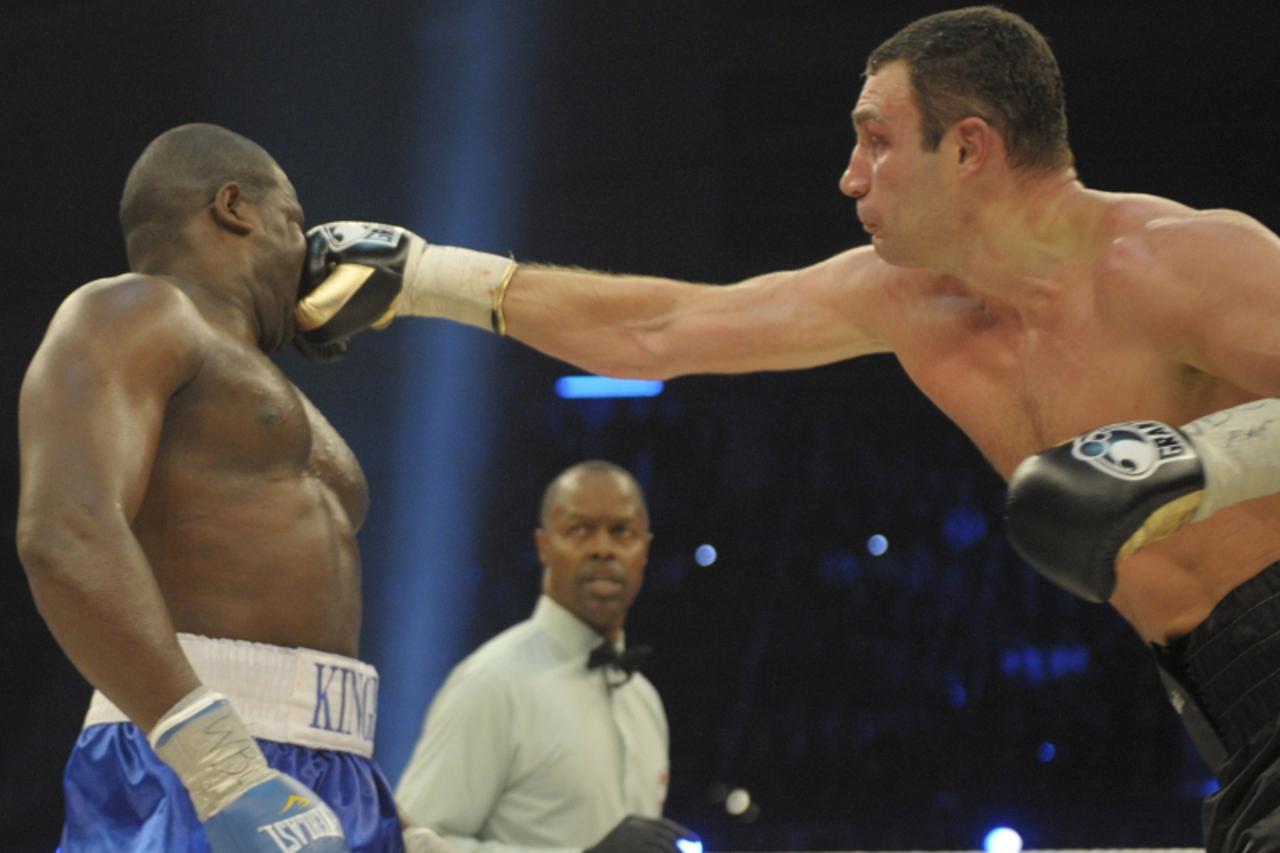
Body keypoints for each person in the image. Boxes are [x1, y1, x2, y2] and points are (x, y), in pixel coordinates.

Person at [293, 7, 1280, 848]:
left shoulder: (1170, 265)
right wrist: (427, 277)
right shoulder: (905, 300)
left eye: (876, 141)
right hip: (1228, 720)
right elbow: (663, 328)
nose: (850, 177)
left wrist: (1196, 461)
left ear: (968, 147)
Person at [15, 123, 447, 852]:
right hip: (187, 758)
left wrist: (390, 820)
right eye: (296, 224)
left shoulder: (259, 379)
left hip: (334, 766)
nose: (309, 256)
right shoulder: (134, 311)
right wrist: (218, 764)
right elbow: (64, 533)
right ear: (235, 207)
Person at [394, 461, 697, 853]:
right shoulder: (492, 682)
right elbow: (410, 844)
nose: (603, 548)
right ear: (544, 546)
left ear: (645, 550)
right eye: (580, 530)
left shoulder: (645, 703)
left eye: (622, 531)